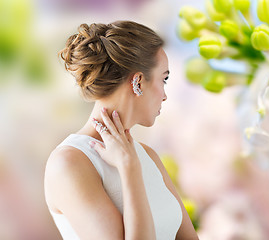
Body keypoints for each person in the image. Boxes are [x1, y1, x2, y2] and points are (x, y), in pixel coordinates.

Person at [44, 21, 199, 239]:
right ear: (138, 82)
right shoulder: (69, 162)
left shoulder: (148, 156)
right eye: (164, 79)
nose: (165, 95)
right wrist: (129, 168)